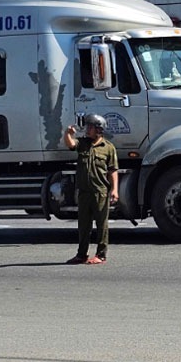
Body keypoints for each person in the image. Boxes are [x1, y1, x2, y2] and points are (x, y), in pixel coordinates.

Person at [64, 114, 119, 265]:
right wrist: (68, 133)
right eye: (87, 126)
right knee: (83, 225)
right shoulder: (83, 144)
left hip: (100, 191)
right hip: (84, 192)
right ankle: (81, 255)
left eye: (91, 127)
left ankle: (101, 255)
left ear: (99, 129)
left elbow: (112, 170)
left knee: (102, 225)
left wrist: (114, 190)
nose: (87, 130)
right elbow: (70, 145)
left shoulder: (108, 148)